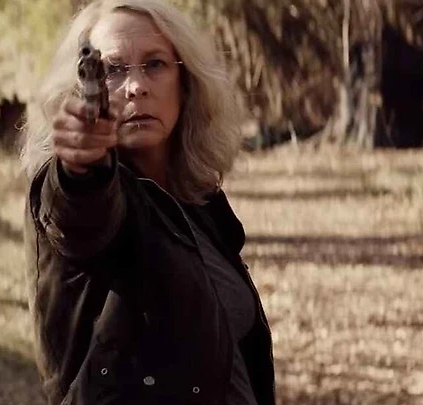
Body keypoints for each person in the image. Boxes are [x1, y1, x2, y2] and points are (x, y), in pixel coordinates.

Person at [21, 1, 275, 404]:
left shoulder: (199, 203)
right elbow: (79, 213)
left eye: (154, 64)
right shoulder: (84, 187)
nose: (136, 86)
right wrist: (80, 167)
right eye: (113, 69)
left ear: (185, 83)